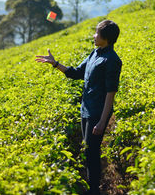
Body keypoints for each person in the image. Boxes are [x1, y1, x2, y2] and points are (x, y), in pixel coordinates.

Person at [35, 20, 122, 195]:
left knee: (91, 153)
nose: (94, 35)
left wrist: (103, 120)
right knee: (87, 150)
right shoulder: (94, 54)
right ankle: (92, 187)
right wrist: (55, 63)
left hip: (97, 113)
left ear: (105, 37)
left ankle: (94, 190)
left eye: (97, 33)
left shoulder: (112, 60)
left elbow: (110, 93)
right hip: (86, 109)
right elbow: (75, 73)